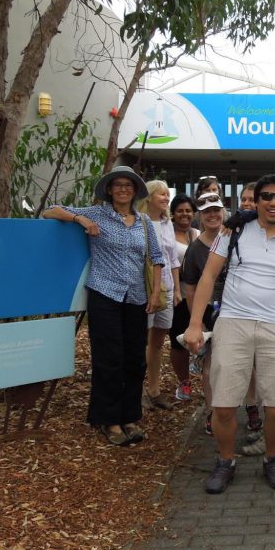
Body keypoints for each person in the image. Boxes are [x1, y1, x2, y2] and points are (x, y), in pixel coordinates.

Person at [183, 175, 275, 494]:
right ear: (257, 200)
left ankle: (273, 458)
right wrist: (196, 323)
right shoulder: (232, 232)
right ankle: (226, 460)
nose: (273, 202)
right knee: (224, 405)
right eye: (266, 196)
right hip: (233, 323)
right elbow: (208, 276)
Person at [42, 166, 164, 446]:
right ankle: (108, 419)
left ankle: (129, 416)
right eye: (117, 185)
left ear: (135, 191)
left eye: (128, 185)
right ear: (109, 190)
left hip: (136, 297)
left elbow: (156, 258)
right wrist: (80, 220)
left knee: (135, 358)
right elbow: (51, 210)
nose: (123, 189)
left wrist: (155, 292)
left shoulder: (144, 221)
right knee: (109, 358)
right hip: (104, 294)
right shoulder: (97, 213)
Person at [180, 192, 264, 437]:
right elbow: (191, 289)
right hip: (211, 311)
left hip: (243, 306)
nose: (213, 215)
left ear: (223, 212)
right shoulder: (195, 250)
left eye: (216, 210)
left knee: (248, 361)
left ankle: (251, 407)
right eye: (206, 211)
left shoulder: (240, 238)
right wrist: (196, 321)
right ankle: (212, 410)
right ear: (200, 216)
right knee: (211, 364)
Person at [138, 180, 182, 411]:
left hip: (167, 289)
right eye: (161, 194)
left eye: (167, 194)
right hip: (144, 288)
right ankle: (136, 391)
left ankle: (153, 390)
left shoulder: (167, 223)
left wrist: (177, 288)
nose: (166, 198)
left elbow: (173, 258)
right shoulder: (139, 221)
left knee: (157, 343)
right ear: (149, 197)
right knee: (140, 340)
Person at [168, 194, 199, 401]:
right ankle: (184, 381)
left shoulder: (197, 234)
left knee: (202, 337)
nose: (184, 214)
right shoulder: (167, 234)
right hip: (176, 294)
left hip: (196, 293)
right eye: (180, 210)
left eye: (188, 210)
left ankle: (206, 381)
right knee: (178, 339)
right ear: (173, 213)